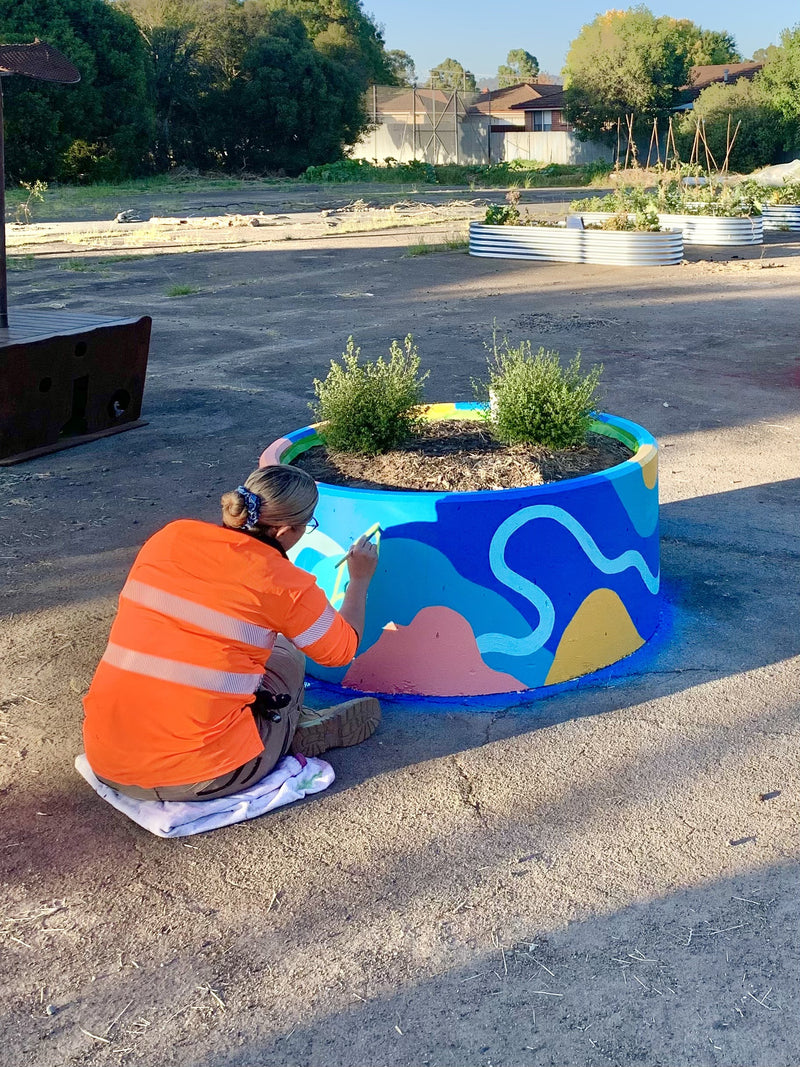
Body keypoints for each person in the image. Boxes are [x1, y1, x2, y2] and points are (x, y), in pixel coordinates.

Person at [82, 465, 381, 802]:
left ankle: (270, 724)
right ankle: (286, 730)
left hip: (107, 760)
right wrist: (359, 580)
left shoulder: (171, 536)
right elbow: (340, 651)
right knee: (287, 654)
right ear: (285, 531)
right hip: (202, 776)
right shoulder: (283, 582)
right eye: (305, 527)